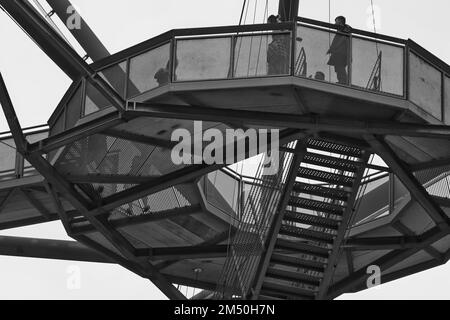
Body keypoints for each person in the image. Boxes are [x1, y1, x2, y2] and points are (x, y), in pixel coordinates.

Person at [326, 16, 352, 84]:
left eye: (336, 21)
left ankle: (343, 81)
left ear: (340, 21)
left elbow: (342, 39)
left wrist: (333, 48)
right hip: (339, 52)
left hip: (340, 53)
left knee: (339, 67)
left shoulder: (345, 29)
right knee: (338, 68)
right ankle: (342, 81)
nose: (335, 23)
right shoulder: (343, 29)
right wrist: (331, 49)